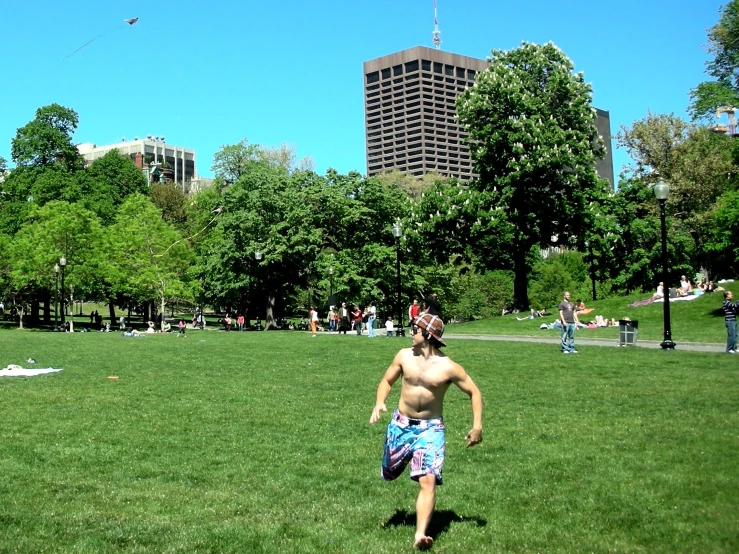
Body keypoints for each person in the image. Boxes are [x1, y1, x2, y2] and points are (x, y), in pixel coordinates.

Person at [369, 313, 483, 550]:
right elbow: (387, 381)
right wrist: (380, 401)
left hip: (430, 430)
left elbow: (474, 392)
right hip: (400, 425)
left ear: (428, 335)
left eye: (415, 330)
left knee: (428, 480)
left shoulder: (448, 367)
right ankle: (393, 464)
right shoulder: (403, 356)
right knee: (389, 471)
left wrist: (477, 426)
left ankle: (420, 535)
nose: (411, 333)